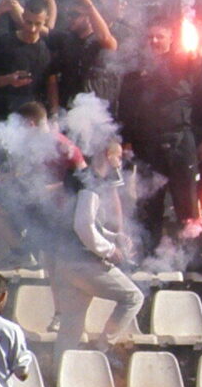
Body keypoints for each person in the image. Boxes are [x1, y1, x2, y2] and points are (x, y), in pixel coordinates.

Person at [57, 136, 142, 350]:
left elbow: (90, 223)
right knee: (133, 298)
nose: (121, 163)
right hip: (83, 262)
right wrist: (109, 249)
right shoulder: (90, 183)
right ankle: (102, 350)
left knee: (70, 328)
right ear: (109, 155)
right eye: (119, 157)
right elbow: (83, 226)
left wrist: (113, 237)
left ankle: (61, 374)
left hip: (67, 261)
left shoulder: (86, 179)